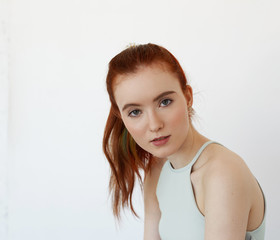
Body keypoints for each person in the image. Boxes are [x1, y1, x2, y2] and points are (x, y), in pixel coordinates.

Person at [103, 43, 266, 240]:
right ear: (121, 116)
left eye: (164, 102)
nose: (154, 125)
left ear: (187, 97)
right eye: (135, 112)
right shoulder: (156, 171)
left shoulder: (222, 173)